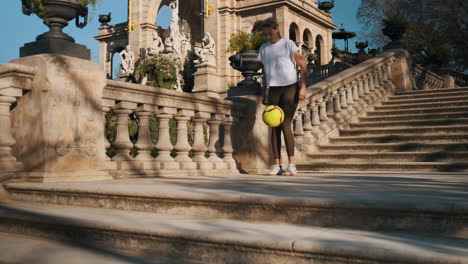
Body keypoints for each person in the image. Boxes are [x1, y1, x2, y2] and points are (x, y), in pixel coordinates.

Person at [257, 17, 308, 176]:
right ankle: (276, 165)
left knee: (285, 124)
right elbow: (265, 72)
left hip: (290, 87)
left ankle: (292, 164)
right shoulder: (263, 49)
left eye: (269, 33)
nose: (267, 37)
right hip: (273, 89)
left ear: (276, 29)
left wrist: (303, 86)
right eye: (265, 35)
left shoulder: (288, 44)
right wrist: (264, 91)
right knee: (274, 127)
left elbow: (303, 65)